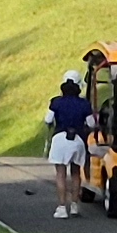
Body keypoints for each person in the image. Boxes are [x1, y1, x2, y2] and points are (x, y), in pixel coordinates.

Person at [47, 73, 94, 218]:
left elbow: (48, 119)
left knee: (61, 174)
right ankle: (74, 205)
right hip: (78, 140)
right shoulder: (84, 104)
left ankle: (62, 207)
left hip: (60, 138)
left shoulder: (55, 102)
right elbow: (92, 123)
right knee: (75, 173)